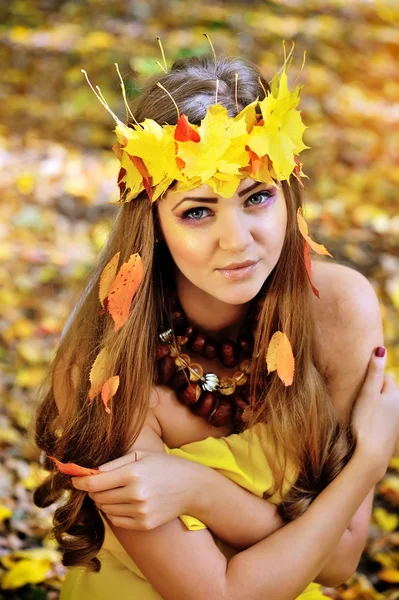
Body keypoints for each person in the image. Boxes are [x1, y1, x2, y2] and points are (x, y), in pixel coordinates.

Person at [33, 50, 399, 600]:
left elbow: (339, 561)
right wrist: (367, 463)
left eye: (257, 198)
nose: (237, 240)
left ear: (288, 196)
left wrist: (198, 491)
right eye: (197, 211)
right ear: (152, 222)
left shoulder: (337, 311)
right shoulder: (107, 365)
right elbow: (219, 595)